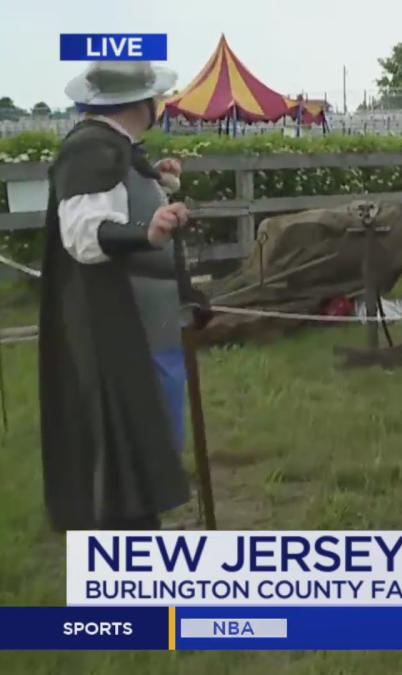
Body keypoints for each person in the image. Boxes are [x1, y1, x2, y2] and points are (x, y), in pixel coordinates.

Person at [39, 61, 193, 530]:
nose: (160, 107)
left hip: (150, 318)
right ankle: (126, 556)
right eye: (156, 100)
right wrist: (147, 232)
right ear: (139, 105)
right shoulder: (90, 150)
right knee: (126, 439)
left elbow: (120, 199)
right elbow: (85, 234)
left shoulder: (116, 148)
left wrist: (159, 185)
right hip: (119, 321)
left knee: (151, 433)